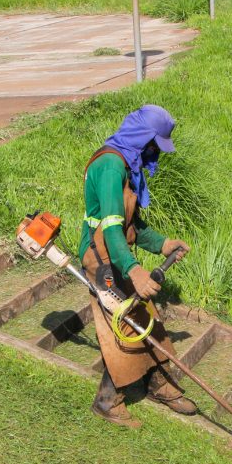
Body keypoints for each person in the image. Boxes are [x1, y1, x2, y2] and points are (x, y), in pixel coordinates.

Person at [79, 104, 197, 428]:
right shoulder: (109, 166)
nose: (156, 151)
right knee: (124, 325)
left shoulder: (127, 164)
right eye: (155, 144)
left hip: (115, 252)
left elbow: (133, 226)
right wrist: (134, 270)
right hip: (99, 258)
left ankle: (160, 386)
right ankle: (107, 401)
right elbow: (112, 228)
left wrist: (163, 244)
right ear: (143, 138)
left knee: (148, 319)